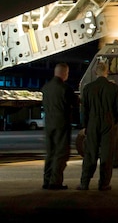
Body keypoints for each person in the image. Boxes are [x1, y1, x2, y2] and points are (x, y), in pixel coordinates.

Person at [77, 62, 118, 191]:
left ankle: (84, 183)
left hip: (92, 122)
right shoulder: (114, 88)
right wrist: (114, 121)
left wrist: (85, 125)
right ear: (106, 72)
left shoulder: (88, 88)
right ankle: (103, 184)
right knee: (107, 154)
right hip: (108, 122)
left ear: (95, 72)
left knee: (90, 153)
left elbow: (84, 110)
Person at [41, 62, 78, 190]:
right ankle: (55, 182)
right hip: (61, 124)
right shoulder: (65, 89)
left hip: (48, 124)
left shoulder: (46, 87)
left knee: (50, 153)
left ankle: (47, 180)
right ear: (64, 73)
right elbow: (75, 103)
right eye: (67, 73)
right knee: (61, 153)